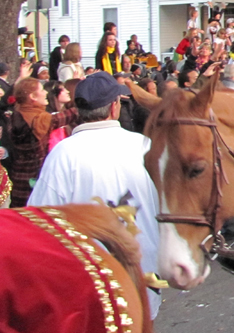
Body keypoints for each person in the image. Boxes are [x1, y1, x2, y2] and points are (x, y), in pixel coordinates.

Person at [28, 71, 161, 317]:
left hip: (91, 280)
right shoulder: (144, 146)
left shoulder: (63, 154)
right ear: (114, 107)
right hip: (142, 271)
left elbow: (39, 221)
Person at [8, 75, 79, 207]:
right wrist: (83, 106)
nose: (46, 93)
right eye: (41, 90)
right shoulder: (38, 119)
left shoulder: (16, 115)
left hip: (19, 178)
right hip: (35, 179)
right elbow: (62, 117)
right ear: (32, 97)